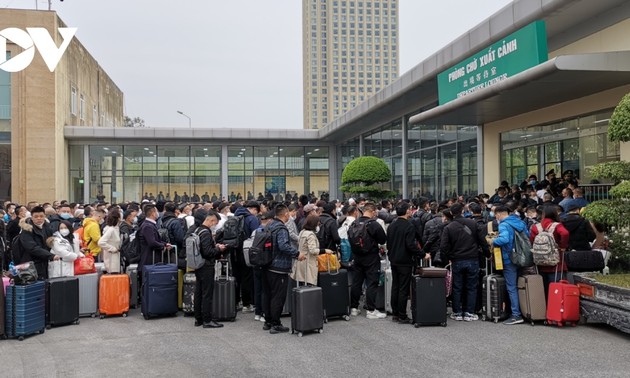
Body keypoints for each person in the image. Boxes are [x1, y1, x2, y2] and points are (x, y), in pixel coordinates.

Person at [440, 203, 488, 322]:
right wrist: (488, 254)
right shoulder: (473, 223)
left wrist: (449, 257)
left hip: (457, 259)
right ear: (463, 211)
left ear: (451, 213)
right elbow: (483, 241)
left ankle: (457, 312)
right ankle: (469, 312)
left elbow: (443, 247)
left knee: (457, 287)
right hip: (472, 258)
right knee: (472, 286)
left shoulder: (448, 227)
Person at [261, 204, 304, 334]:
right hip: (278, 267)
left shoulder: (269, 225)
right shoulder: (281, 228)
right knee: (278, 296)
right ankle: (276, 323)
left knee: (268, 294)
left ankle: (268, 321)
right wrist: (297, 254)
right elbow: (284, 246)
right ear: (285, 214)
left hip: (266, 264)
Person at [386, 202, 424, 324]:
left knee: (395, 286)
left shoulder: (392, 225)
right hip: (405, 260)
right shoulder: (409, 226)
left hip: (394, 259)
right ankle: (402, 315)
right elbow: (411, 245)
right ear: (407, 211)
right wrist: (422, 254)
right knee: (403, 288)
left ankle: (396, 313)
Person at [350, 202, 388, 320]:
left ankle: (354, 308)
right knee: (372, 282)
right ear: (372, 212)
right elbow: (382, 239)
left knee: (357, 282)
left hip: (357, 256)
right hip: (371, 256)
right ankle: (371, 310)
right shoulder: (373, 224)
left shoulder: (354, 223)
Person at [492, 205, 529, 325]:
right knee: (519, 286)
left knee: (511, 287)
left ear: (498, 214)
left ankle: (515, 315)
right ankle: (523, 312)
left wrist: (492, 241)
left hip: (509, 259)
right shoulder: (520, 223)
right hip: (522, 258)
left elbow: (504, 240)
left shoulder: (503, 225)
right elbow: (527, 237)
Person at [190, 209, 227, 328]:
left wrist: (213, 246)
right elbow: (207, 252)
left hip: (198, 264)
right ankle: (207, 320)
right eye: (215, 223)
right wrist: (218, 249)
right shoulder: (205, 232)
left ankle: (198, 318)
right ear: (211, 220)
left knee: (199, 292)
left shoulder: (197, 230)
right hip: (206, 265)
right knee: (207, 293)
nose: (215, 225)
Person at [529, 205, 570, 296]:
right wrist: (562, 246)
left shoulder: (536, 227)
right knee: (556, 289)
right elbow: (565, 233)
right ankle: (555, 307)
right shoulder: (556, 225)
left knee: (543, 289)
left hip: (540, 262)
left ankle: (545, 308)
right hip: (555, 263)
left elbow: (531, 240)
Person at [231, 201, 261, 313]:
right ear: (253, 209)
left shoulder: (235, 216)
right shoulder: (251, 219)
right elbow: (257, 235)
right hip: (246, 250)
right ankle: (247, 304)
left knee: (236, 276)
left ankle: (235, 302)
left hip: (234, 250)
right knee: (247, 277)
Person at [16, 206, 59, 279]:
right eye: (36, 216)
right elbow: (32, 248)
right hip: (31, 264)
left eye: (41, 216)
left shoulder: (47, 227)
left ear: (45, 216)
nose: (39, 218)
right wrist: (51, 256)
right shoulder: (26, 230)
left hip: (45, 263)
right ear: (32, 217)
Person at [291, 214, 330, 286]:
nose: (319, 225)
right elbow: (313, 250)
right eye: (318, 223)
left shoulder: (302, 232)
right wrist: (325, 251)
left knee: (302, 286)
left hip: (301, 263)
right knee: (310, 287)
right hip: (308, 263)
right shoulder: (310, 235)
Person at [138, 205, 172, 274]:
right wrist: (163, 246)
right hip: (148, 259)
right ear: (153, 213)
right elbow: (152, 242)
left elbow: (155, 240)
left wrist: (165, 244)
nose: (157, 213)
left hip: (151, 258)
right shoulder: (147, 226)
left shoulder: (150, 225)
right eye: (156, 211)